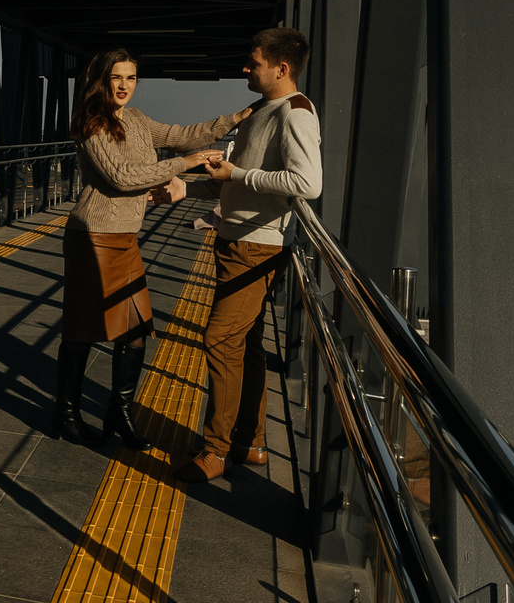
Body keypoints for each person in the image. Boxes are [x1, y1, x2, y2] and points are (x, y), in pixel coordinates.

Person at [54, 48, 252, 448]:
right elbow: (123, 177)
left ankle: (119, 411)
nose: (125, 85)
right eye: (117, 78)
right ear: (101, 80)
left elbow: (181, 136)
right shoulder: (92, 123)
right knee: (82, 329)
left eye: (131, 78)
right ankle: (66, 414)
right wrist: (186, 164)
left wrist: (234, 119)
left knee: (135, 330)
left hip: (123, 238)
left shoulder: (139, 120)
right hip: (93, 235)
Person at [189, 26, 322, 483]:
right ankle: (252, 442)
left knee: (219, 340)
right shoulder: (261, 111)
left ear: (281, 68)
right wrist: (180, 188)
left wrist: (238, 174)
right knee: (243, 344)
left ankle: (215, 450)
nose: (246, 67)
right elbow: (232, 177)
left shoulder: (296, 113)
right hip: (239, 238)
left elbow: (307, 184)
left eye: (254, 62)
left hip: (257, 245)